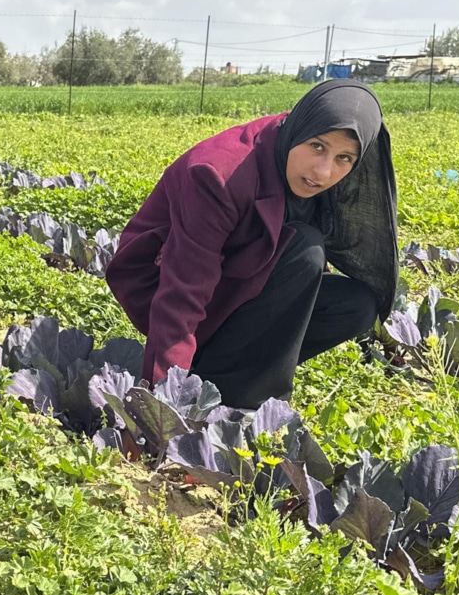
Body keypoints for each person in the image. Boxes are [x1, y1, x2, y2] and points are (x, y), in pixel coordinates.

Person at [105, 79, 398, 410]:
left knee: (354, 305)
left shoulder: (311, 170)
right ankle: (230, 393)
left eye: (344, 158)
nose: (324, 170)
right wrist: (159, 400)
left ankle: (221, 377)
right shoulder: (219, 173)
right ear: (302, 127)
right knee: (306, 250)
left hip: (242, 271)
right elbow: (182, 291)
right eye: (317, 146)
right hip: (161, 281)